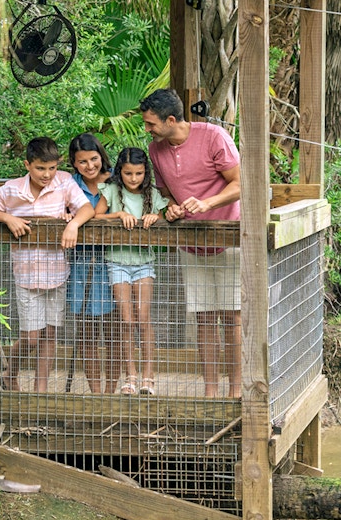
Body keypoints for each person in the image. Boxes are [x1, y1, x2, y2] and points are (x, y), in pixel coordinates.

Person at [0, 137, 94, 393]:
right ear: (28, 165)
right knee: (31, 336)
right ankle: (10, 373)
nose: (46, 174)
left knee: (50, 333)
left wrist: (72, 224)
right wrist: (7, 218)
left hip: (57, 272)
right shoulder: (12, 189)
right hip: (26, 274)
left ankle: (41, 390)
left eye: (51, 168)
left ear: (58, 164)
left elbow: (86, 209)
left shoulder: (64, 182)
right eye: (40, 168)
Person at [140, 88, 241, 398]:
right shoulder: (155, 149)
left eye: (151, 124)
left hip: (229, 237)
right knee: (204, 317)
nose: (148, 129)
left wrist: (209, 204)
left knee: (232, 315)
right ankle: (211, 392)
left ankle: (235, 391)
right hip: (191, 243)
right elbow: (167, 191)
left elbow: (241, 181)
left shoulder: (214, 136)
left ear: (171, 120)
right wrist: (170, 205)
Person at [94, 147, 169, 395]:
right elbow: (96, 216)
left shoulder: (153, 194)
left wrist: (153, 218)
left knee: (143, 317)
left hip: (144, 262)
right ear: (120, 172)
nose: (133, 179)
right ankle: (131, 376)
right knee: (126, 319)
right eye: (128, 173)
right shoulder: (112, 191)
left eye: (138, 173)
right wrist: (118, 214)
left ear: (145, 172)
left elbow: (162, 215)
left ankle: (149, 376)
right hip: (116, 261)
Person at [67, 133, 121, 394]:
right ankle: (95, 393)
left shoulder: (117, 179)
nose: (90, 166)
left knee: (114, 331)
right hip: (81, 262)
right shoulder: (69, 184)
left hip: (113, 260)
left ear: (101, 156)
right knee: (87, 332)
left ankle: (111, 391)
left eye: (93, 159)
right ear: (74, 164)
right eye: (82, 161)